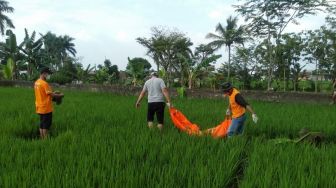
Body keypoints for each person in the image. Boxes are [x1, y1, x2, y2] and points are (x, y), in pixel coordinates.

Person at [34, 67, 63, 139]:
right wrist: (60, 95)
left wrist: (53, 92)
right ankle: (45, 139)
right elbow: (51, 95)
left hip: (39, 107)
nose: (48, 75)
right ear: (44, 74)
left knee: (42, 123)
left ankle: (41, 137)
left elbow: (45, 94)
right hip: (46, 108)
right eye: (48, 74)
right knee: (46, 125)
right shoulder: (44, 83)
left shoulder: (37, 82)